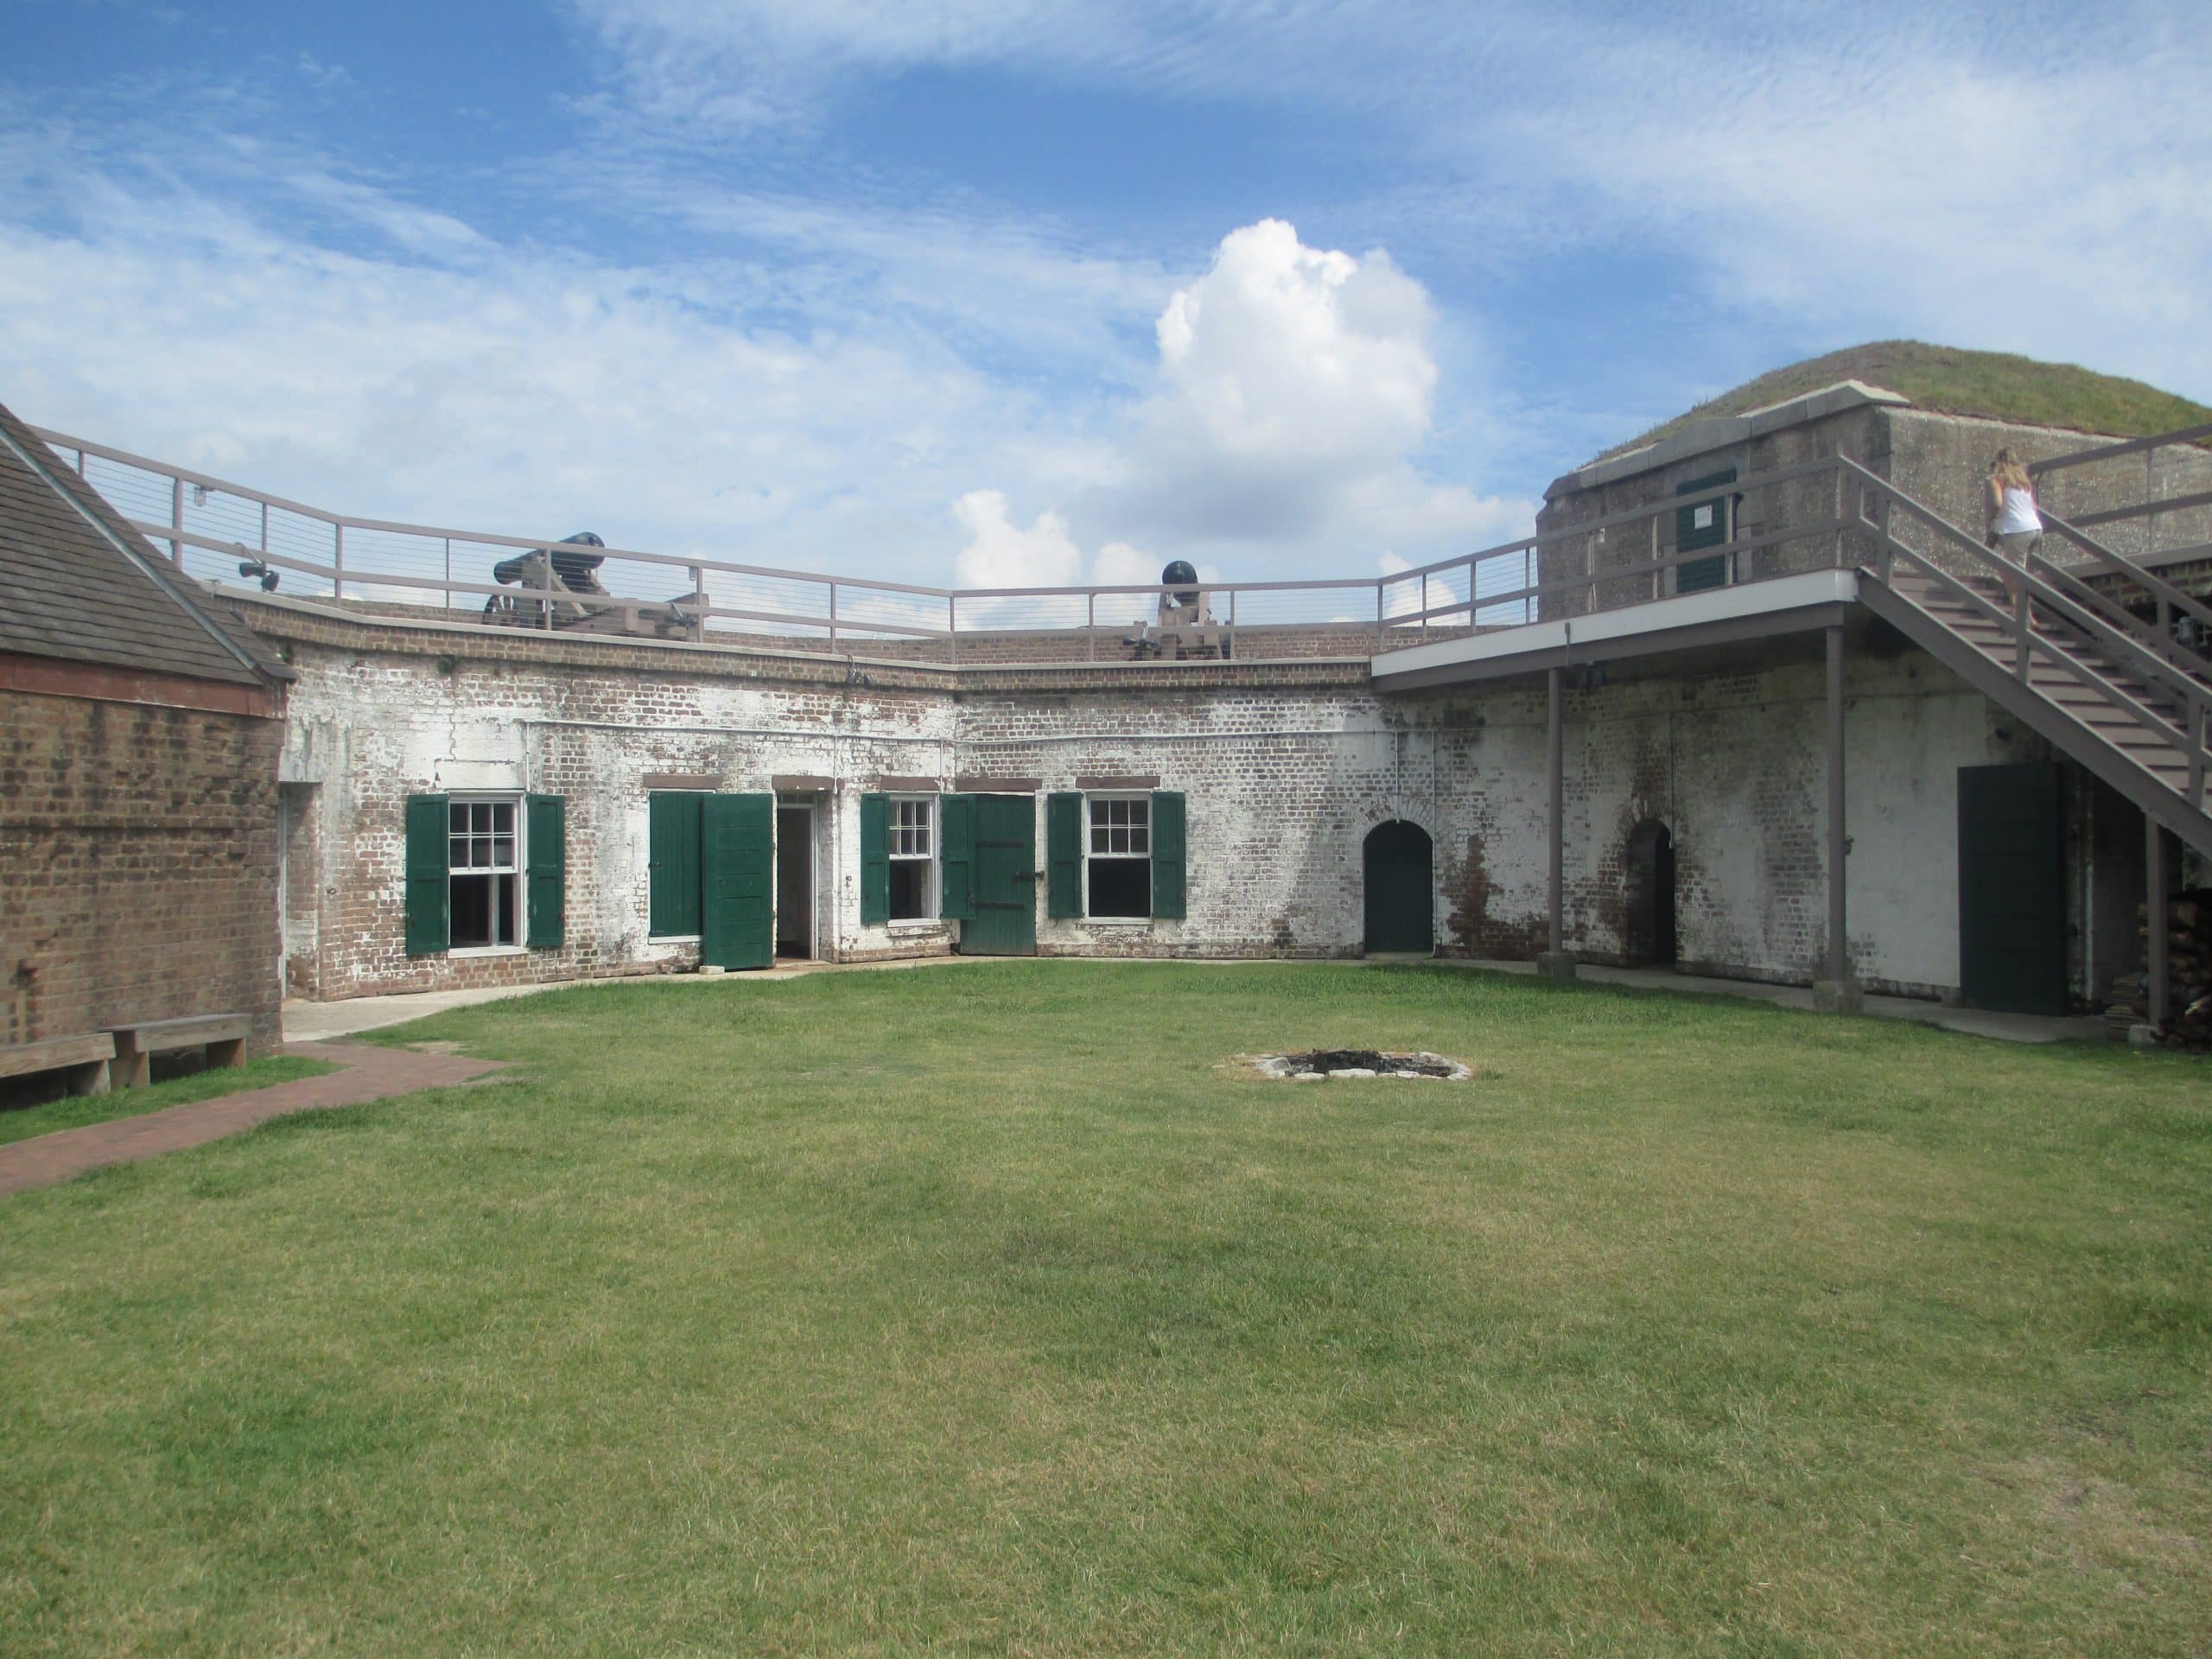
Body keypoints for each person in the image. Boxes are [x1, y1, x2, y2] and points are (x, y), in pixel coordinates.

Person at [1983, 449, 2043, 608]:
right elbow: (2034, 507)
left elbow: (1997, 503)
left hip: (2018, 531)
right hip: (2035, 529)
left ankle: (2025, 617)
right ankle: (2019, 610)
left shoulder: (1997, 480)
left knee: (2017, 576)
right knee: (2005, 570)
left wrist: (1990, 521)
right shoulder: (2023, 482)